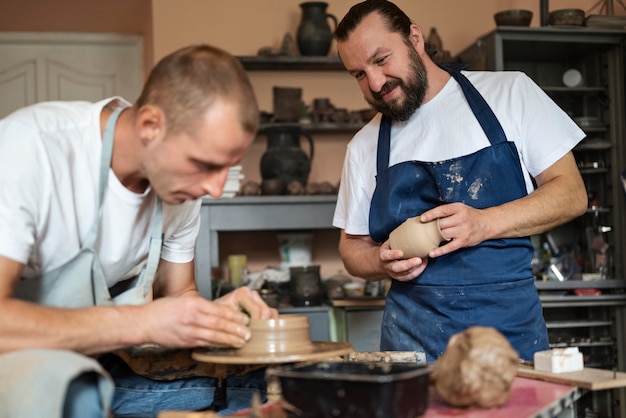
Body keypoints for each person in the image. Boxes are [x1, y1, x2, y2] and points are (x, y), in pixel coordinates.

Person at [0, 44, 278, 418]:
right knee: (76, 388)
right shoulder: (29, 149)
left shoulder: (181, 186)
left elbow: (178, 293)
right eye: (205, 165)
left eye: (228, 167)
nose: (215, 189)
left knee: (253, 383)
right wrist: (143, 320)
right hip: (17, 353)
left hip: (95, 351)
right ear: (150, 126)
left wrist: (215, 317)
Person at [332, 0, 588, 362]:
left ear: (415, 39)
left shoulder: (509, 94)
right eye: (358, 73)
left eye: (381, 59)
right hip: (412, 343)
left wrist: (484, 222)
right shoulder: (364, 145)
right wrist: (380, 261)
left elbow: (571, 193)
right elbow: (351, 248)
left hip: (507, 335)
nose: (374, 82)